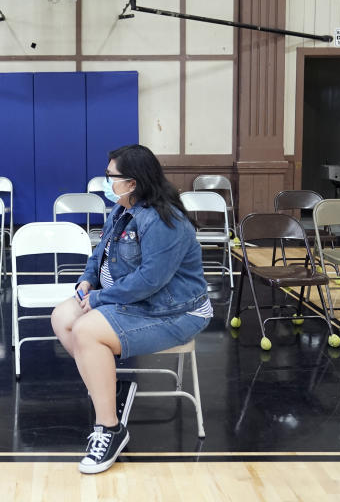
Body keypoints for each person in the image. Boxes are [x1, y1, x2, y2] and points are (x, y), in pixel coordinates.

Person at [51, 144, 212, 474]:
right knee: (62, 317)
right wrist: (87, 281)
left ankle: (109, 429)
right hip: (131, 300)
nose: (106, 181)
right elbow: (100, 254)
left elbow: (151, 279)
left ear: (133, 181)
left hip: (172, 310)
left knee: (84, 330)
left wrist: (98, 299)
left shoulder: (164, 220)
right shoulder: (124, 208)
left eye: (111, 176)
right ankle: (110, 389)